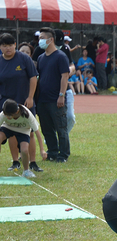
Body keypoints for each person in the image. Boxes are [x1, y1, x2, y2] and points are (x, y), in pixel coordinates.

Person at [0, 33, 42, 173]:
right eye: (4, 46)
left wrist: (30, 97)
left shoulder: (24, 58)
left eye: (10, 45)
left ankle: (33, 162)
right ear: (1, 47)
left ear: (14, 45)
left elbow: (33, 77)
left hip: (25, 102)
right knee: (10, 132)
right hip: (6, 103)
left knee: (29, 132)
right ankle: (15, 161)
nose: (8, 49)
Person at [36, 27, 70, 163]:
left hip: (56, 99)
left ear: (51, 40)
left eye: (42, 38)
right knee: (46, 128)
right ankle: (52, 152)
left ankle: (63, 154)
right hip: (42, 99)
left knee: (61, 128)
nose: (40, 41)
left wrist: (61, 95)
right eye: (39, 38)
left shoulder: (61, 56)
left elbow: (65, 76)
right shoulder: (41, 58)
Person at [0, 100, 47, 178]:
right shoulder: (3, 114)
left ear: (17, 111)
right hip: (7, 127)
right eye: (6, 115)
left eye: (10, 115)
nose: (7, 117)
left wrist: (42, 149)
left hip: (23, 130)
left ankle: (26, 171)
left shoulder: (27, 114)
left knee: (24, 150)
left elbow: (37, 132)